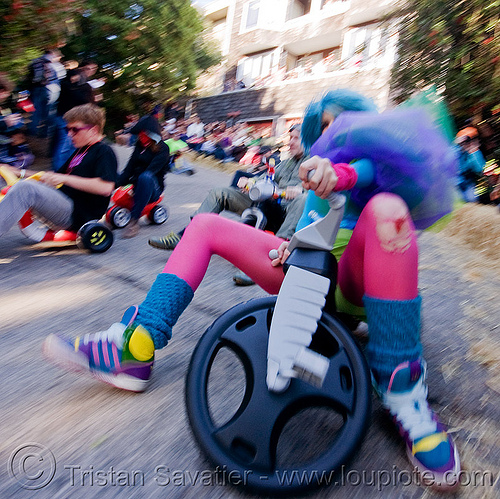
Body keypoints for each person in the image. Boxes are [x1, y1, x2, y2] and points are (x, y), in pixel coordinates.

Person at [43, 89, 460, 489]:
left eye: (344, 125)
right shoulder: (313, 170)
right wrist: (288, 245)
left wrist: (344, 172)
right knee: (205, 225)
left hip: (355, 284)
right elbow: (303, 228)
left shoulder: (376, 170)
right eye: (326, 127)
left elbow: (357, 173)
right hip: (307, 276)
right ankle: (137, 344)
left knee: (389, 211)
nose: (335, 135)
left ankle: (403, 392)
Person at [148, 125, 307, 250]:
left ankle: (273, 254)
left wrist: (300, 191)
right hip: (269, 204)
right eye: (290, 137)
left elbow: (315, 192)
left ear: (308, 140)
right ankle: (185, 236)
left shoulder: (313, 163)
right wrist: (249, 181)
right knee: (219, 193)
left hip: (287, 214)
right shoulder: (285, 163)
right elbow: (264, 179)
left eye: (296, 138)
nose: (291, 142)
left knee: (301, 198)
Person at [0, 104, 116, 238]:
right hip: (63, 204)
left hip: (77, 215)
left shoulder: (104, 152)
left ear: (93, 130)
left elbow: (106, 187)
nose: (69, 134)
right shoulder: (80, 151)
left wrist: (65, 179)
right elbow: (53, 176)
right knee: (13, 185)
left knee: (25, 189)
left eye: (74, 129)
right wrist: (18, 172)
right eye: (68, 129)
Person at [116, 112, 170, 238]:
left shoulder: (163, 149)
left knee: (145, 176)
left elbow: (151, 171)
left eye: (144, 134)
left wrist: (133, 180)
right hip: (137, 183)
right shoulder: (139, 146)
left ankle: (134, 221)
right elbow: (129, 168)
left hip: (153, 187)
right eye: (140, 134)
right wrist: (116, 183)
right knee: (112, 173)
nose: (141, 137)